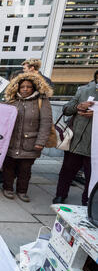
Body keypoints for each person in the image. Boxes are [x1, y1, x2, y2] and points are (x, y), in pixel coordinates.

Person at [1, 72, 53, 202]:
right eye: (22, 86)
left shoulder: (42, 102)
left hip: (30, 143)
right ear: (17, 88)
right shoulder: (11, 101)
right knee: (8, 167)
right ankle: (7, 188)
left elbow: (46, 123)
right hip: (11, 142)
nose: (25, 89)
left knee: (25, 170)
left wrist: (41, 142)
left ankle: (22, 191)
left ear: (34, 88)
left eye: (28, 87)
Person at [53, 70, 97, 206]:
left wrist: (96, 115)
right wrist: (78, 106)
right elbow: (66, 109)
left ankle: (88, 202)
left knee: (92, 177)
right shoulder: (83, 90)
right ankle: (60, 195)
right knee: (67, 171)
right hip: (76, 141)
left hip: (94, 146)